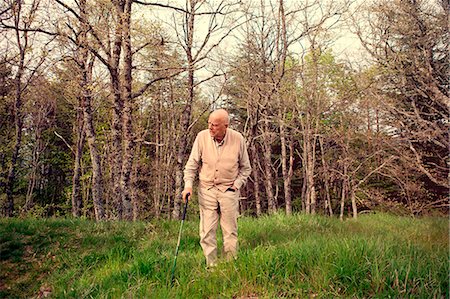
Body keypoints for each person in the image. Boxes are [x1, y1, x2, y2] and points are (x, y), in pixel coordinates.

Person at [182, 108, 252, 267]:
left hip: (229, 190)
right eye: (209, 124)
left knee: (230, 231)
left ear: (225, 126)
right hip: (207, 190)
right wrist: (188, 186)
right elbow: (191, 165)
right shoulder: (202, 137)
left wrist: (236, 185)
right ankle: (211, 267)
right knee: (207, 231)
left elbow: (246, 168)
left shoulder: (238, 139)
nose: (210, 128)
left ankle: (230, 266)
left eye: (214, 125)